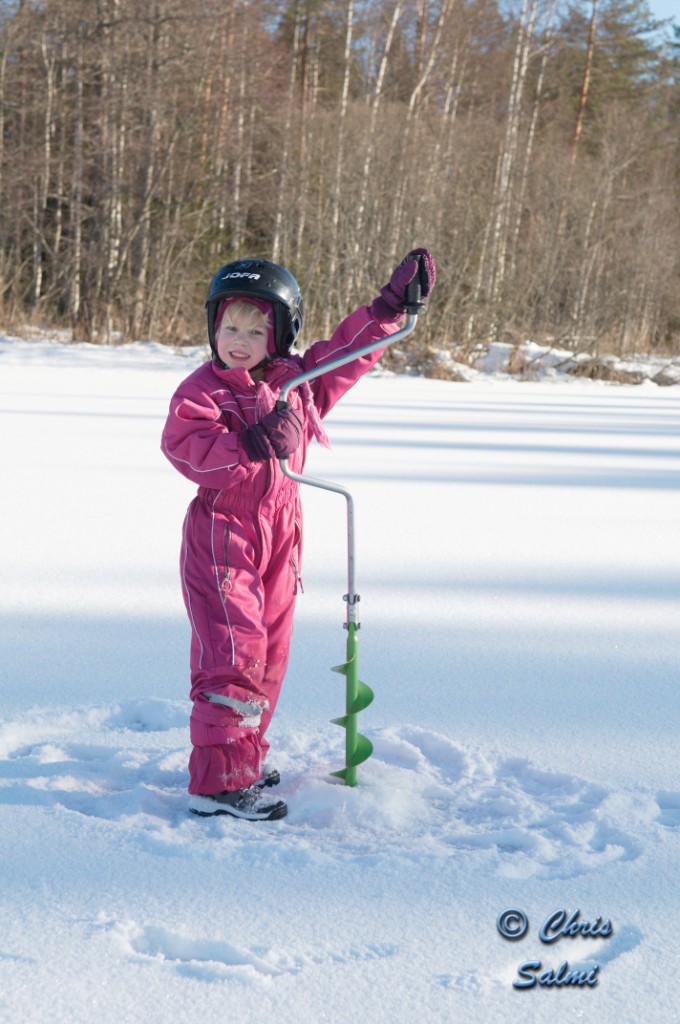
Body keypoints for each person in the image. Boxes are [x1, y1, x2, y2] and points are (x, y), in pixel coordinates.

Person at [161, 249, 436, 820]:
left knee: (271, 657)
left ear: (280, 334)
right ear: (213, 328)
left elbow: (344, 356)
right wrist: (252, 442)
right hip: (223, 534)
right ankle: (216, 785)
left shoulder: (297, 383)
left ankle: (246, 758)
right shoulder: (204, 390)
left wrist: (388, 309)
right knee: (235, 655)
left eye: (257, 329)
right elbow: (186, 450)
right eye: (229, 327)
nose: (239, 339)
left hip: (281, 537)